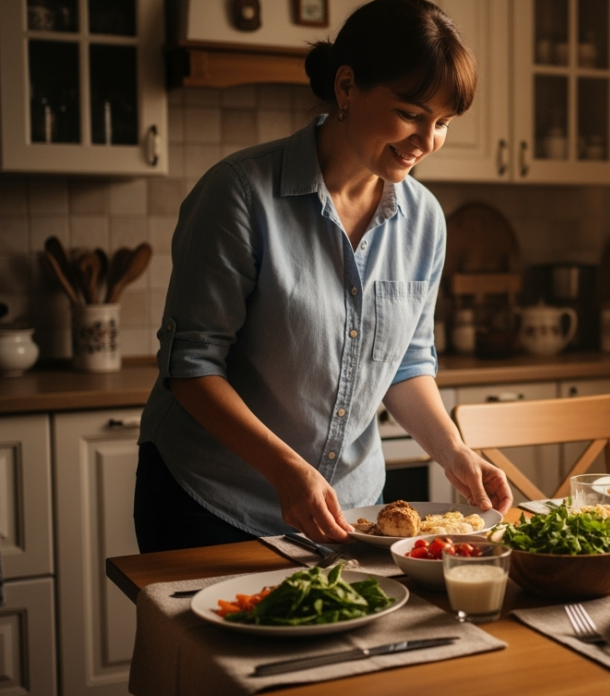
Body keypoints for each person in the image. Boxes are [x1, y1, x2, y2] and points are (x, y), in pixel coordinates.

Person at [134, 0, 513, 553]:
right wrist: (286, 469)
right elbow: (190, 368)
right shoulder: (240, 193)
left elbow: (407, 364)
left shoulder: (425, 219)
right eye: (410, 113)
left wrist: (453, 450)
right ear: (346, 87)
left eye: (443, 124)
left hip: (349, 511)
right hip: (213, 501)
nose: (426, 140)